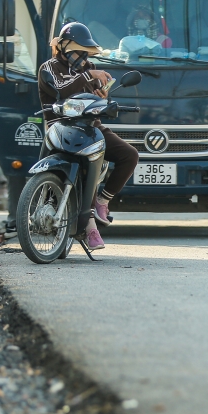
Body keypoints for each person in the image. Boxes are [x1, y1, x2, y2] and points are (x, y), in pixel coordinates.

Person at [38, 22, 139, 250]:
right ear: (63, 47)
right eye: (76, 51)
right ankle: (88, 225)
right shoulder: (50, 67)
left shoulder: (88, 66)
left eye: (84, 52)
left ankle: (102, 202)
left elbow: (96, 99)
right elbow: (61, 88)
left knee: (129, 155)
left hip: (90, 127)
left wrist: (102, 96)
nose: (81, 57)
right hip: (60, 127)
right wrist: (89, 74)